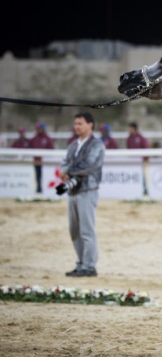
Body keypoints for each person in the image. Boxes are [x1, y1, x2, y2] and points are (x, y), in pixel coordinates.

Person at [57, 112, 105, 277]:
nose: (76, 126)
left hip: (87, 191)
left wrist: (67, 171)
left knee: (86, 230)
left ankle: (89, 265)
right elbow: (64, 162)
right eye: (75, 123)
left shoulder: (97, 144)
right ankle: (81, 263)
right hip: (73, 191)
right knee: (75, 231)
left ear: (90, 125)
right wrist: (64, 171)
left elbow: (90, 165)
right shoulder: (73, 145)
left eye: (80, 123)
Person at [29, 122, 55, 194]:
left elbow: (51, 148)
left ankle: (45, 190)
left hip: (45, 162)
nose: (37, 130)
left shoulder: (47, 138)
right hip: (36, 161)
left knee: (44, 176)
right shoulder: (34, 139)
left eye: (39, 128)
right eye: (37, 129)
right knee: (37, 176)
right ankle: (38, 189)